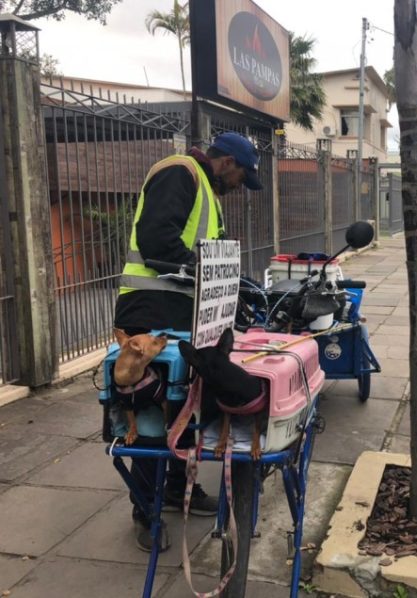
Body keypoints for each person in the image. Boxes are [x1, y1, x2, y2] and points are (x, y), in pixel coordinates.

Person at [114, 131, 263, 551]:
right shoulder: (180, 173)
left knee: (188, 407)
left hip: (183, 312)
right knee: (148, 417)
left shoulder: (207, 192)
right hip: (148, 310)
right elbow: (157, 240)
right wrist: (207, 270)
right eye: (241, 178)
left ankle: (180, 491)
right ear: (228, 163)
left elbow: (202, 253)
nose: (239, 188)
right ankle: (146, 510)